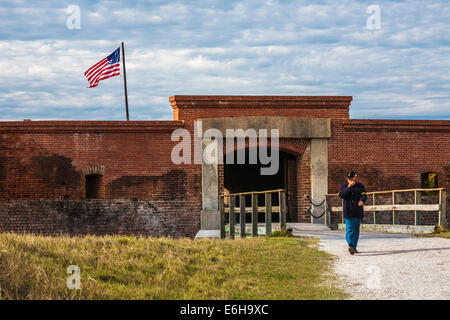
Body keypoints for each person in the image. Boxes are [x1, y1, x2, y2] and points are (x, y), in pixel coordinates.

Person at [338, 170, 367, 255]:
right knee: (350, 228)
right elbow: (341, 195)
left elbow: (364, 195)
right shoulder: (344, 186)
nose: (350, 179)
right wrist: (349, 187)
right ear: (347, 178)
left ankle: (354, 247)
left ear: (355, 177)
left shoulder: (360, 186)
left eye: (352, 177)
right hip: (348, 211)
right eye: (349, 178)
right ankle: (350, 245)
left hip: (358, 211)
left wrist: (362, 200)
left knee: (356, 230)